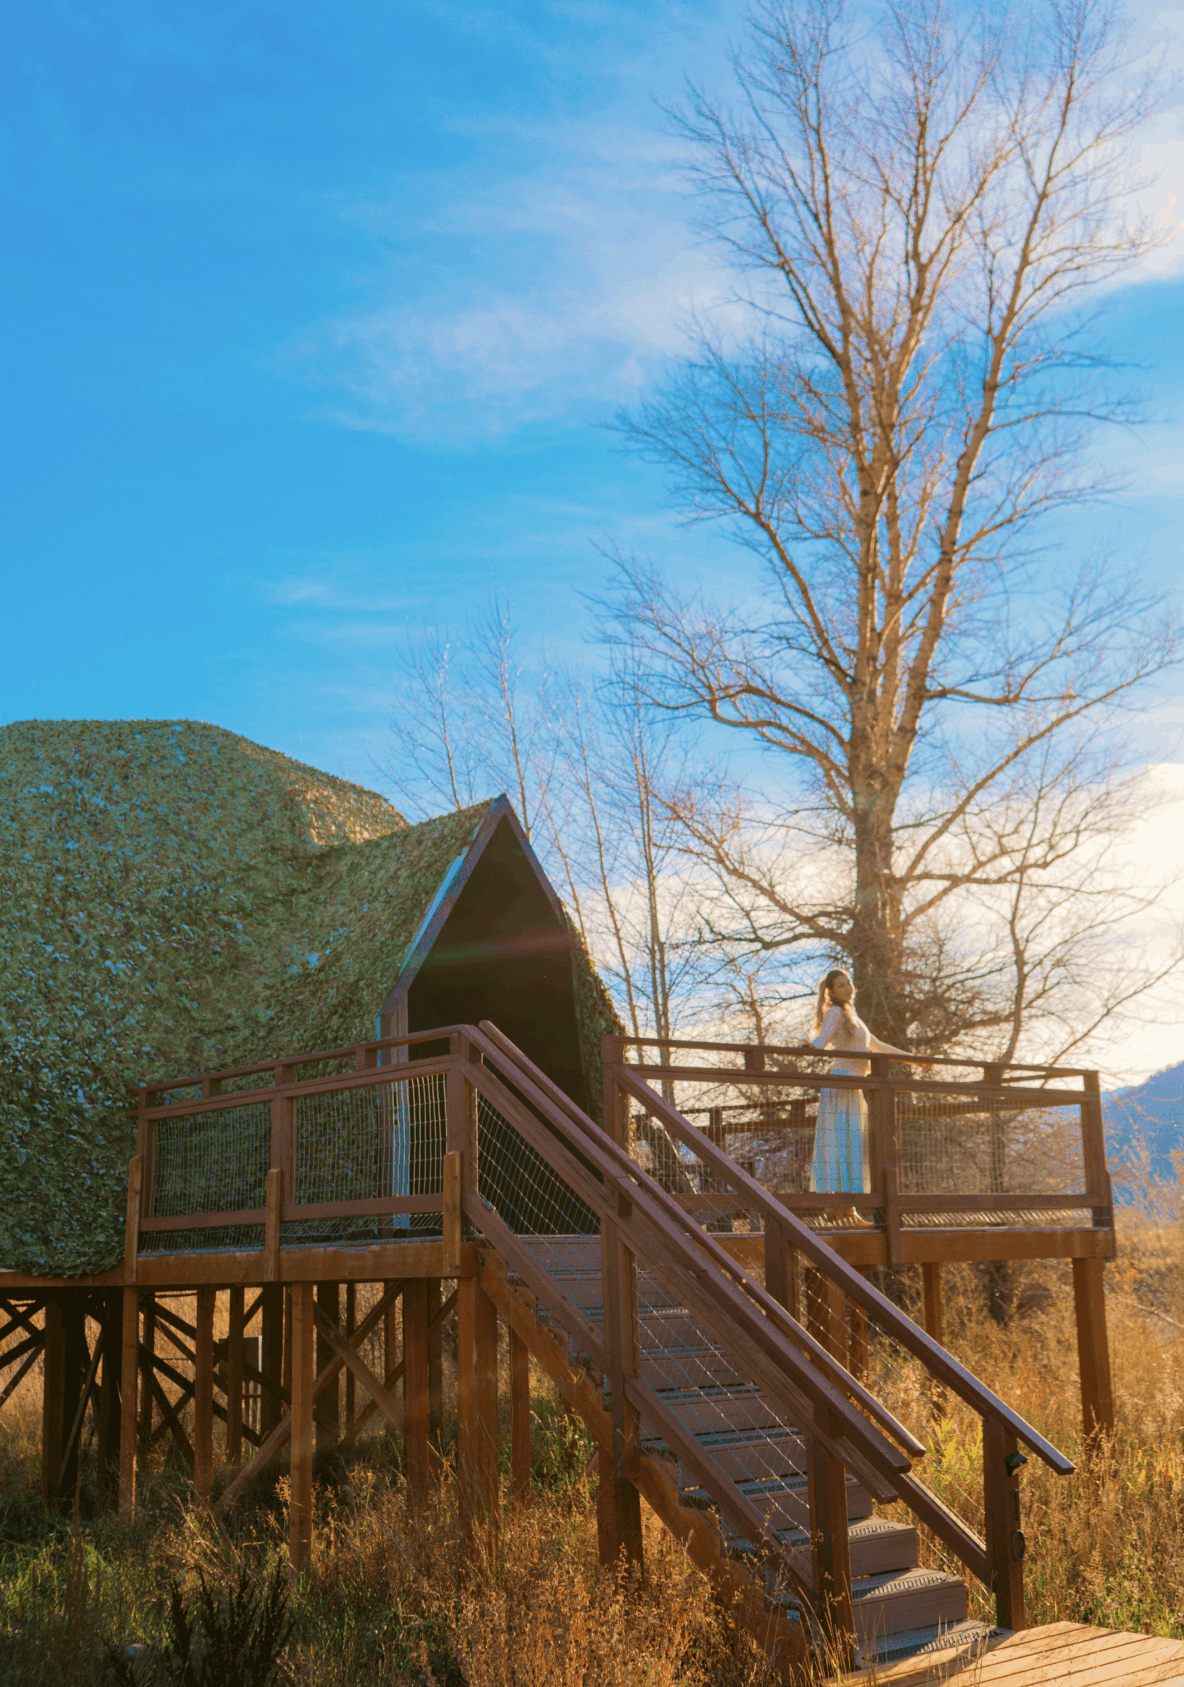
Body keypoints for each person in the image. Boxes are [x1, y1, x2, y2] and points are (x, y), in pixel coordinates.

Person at [807, 968, 915, 1224]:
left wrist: (915, 1061)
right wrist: (811, 1046)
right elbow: (822, 1039)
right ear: (831, 992)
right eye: (841, 986)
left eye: (849, 983)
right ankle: (840, 1208)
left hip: (854, 1085)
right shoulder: (835, 1012)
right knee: (843, 1141)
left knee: (851, 1143)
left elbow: (877, 1046)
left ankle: (843, 1209)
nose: (847, 988)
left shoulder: (853, 1016)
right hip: (842, 1082)